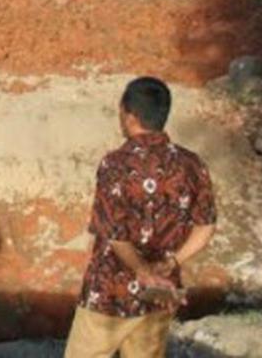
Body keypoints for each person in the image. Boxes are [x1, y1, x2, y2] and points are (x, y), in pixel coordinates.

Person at [64, 77, 217, 358]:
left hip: (109, 293)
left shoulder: (116, 164)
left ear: (129, 114)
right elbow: (205, 227)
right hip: (160, 295)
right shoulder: (193, 164)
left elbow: (115, 234)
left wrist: (142, 271)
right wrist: (170, 263)